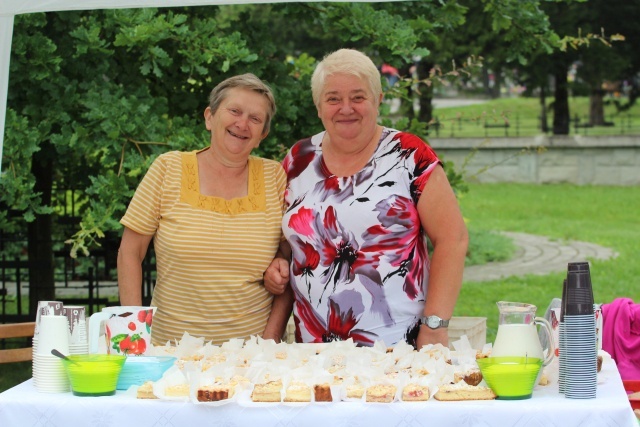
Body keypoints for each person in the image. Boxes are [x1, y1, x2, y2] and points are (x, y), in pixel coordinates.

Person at [264, 49, 468, 350]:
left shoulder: (409, 155)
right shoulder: (299, 159)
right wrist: (278, 265)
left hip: (399, 350)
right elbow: (290, 247)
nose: (346, 108)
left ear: (378, 100)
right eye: (333, 98)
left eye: (358, 97)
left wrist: (435, 327)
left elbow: (453, 239)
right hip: (314, 353)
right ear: (319, 106)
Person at [117, 73, 292, 346]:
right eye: (234, 111)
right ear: (210, 117)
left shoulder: (275, 178)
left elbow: (290, 257)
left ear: (262, 135)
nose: (242, 123)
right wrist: (134, 335)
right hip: (170, 354)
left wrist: (267, 345)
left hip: (252, 360)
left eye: (255, 119)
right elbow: (130, 253)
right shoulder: (168, 169)